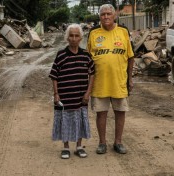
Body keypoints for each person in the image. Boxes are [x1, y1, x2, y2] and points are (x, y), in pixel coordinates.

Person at [87, 4, 134, 154]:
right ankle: (102, 143)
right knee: (101, 113)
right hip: (99, 83)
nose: (106, 17)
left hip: (119, 81)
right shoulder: (94, 33)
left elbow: (131, 57)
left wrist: (130, 79)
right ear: (99, 16)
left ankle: (118, 142)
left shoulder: (123, 31)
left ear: (114, 15)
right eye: (103, 14)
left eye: (108, 14)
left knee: (120, 112)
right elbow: (87, 60)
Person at [49, 23, 95, 159]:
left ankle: (79, 147)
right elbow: (54, 76)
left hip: (81, 97)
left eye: (77, 36)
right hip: (65, 97)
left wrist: (88, 93)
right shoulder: (61, 55)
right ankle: (66, 147)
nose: (74, 38)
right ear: (67, 38)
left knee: (80, 120)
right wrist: (56, 94)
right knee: (65, 121)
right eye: (71, 35)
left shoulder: (86, 55)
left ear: (81, 38)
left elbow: (92, 73)